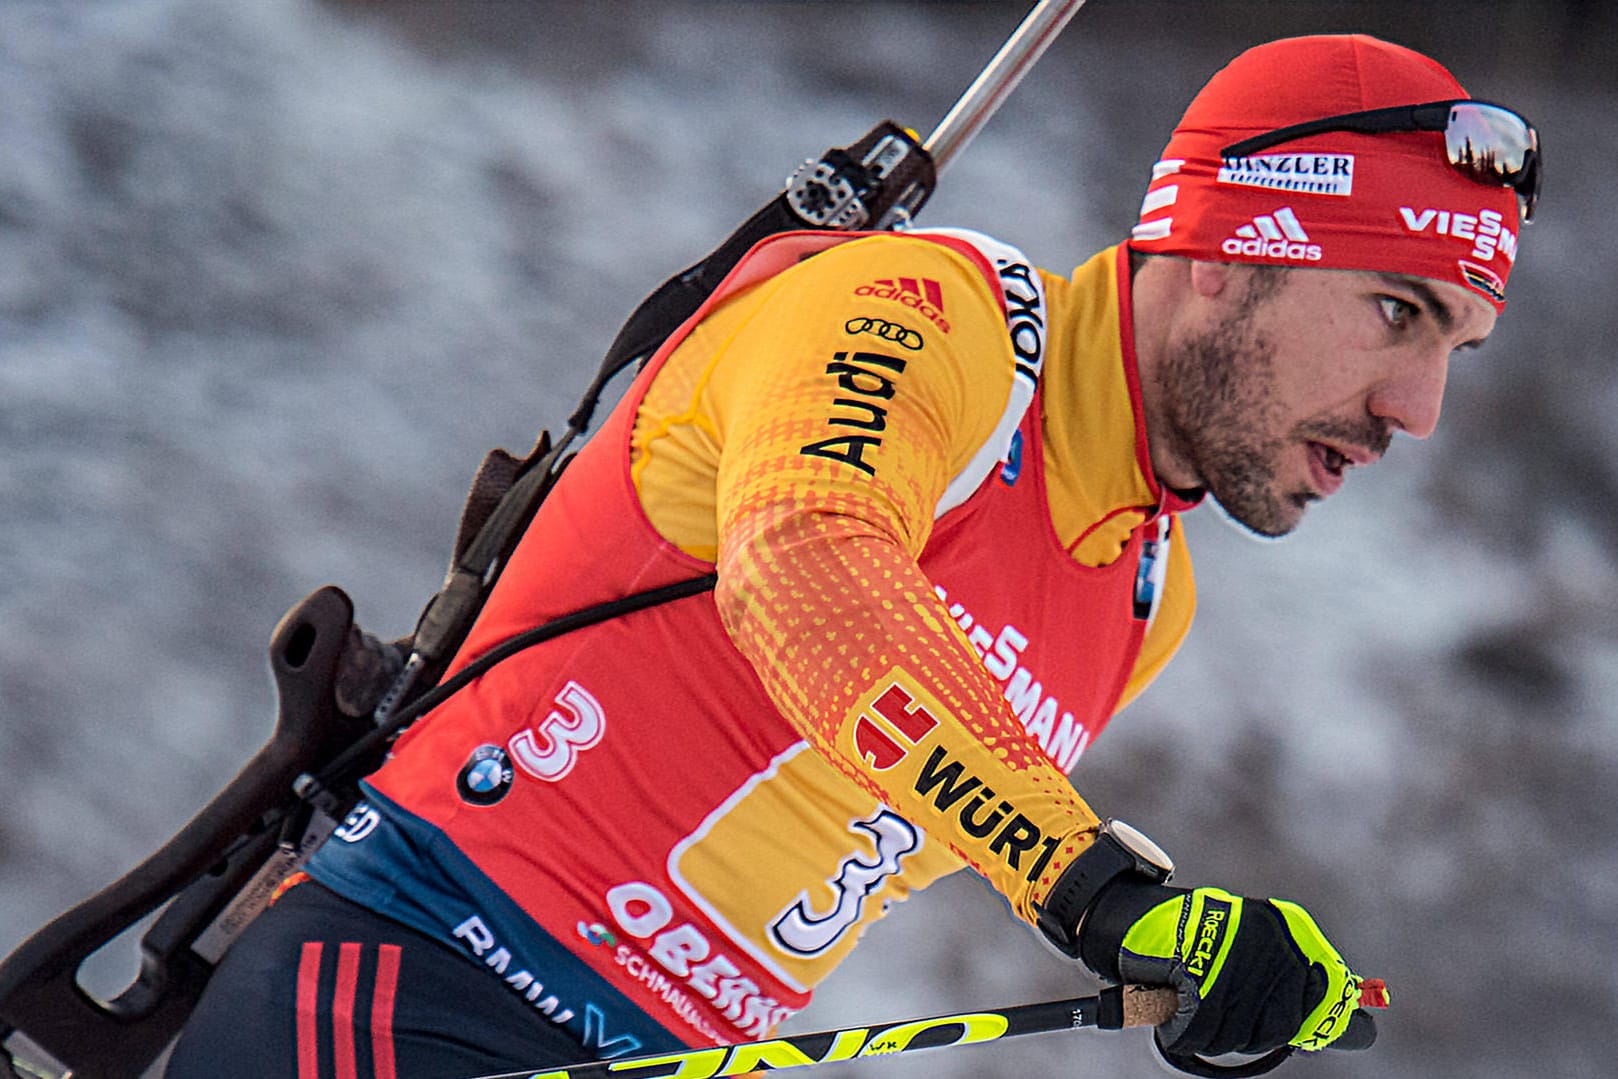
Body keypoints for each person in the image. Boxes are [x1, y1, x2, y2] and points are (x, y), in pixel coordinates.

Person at [165, 32, 1538, 1079]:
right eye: (1390, 312)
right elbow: (808, 572)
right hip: (415, 980)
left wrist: (1192, 953)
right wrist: (1101, 891)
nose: (1414, 411)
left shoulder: (1144, 594)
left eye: (1453, 353)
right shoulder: (925, 316)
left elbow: (867, 814)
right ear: (1225, 254)